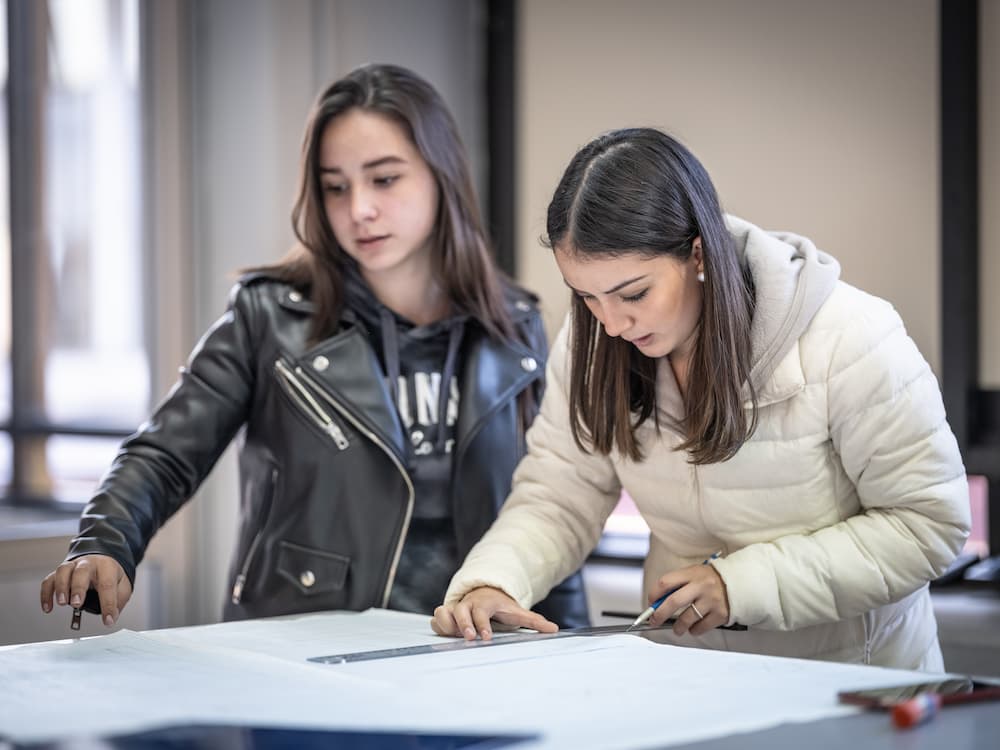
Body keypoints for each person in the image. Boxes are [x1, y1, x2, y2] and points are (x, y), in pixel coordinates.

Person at [38, 64, 589, 629]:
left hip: (470, 655)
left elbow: (549, 506)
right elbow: (164, 454)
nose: (359, 210)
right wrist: (104, 543)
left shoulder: (514, 328)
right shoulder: (269, 316)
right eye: (335, 187)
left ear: (441, 174)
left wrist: (570, 647)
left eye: (384, 179)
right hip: (308, 647)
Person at [431, 127, 971, 671]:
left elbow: (927, 524)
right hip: (691, 676)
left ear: (697, 254)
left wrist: (741, 585)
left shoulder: (850, 336)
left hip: (852, 683)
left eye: (635, 293)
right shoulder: (592, 341)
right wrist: (495, 580)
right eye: (587, 297)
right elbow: (558, 495)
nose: (613, 324)